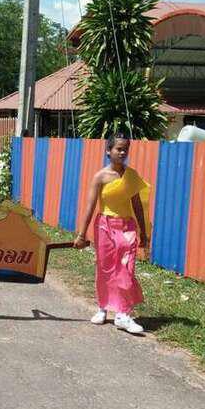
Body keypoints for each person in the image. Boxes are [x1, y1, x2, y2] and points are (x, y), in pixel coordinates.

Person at [72, 133, 150, 335]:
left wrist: (144, 232)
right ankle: (102, 308)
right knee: (105, 268)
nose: (123, 153)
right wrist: (81, 235)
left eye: (126, 149)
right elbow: (90, 207)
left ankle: (123, 314)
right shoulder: (100, 177)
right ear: (108, 151)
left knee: (126, 269)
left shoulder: (131, 176)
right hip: (105, 227)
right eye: (119, 149)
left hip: (127, 228)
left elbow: (137, 206)